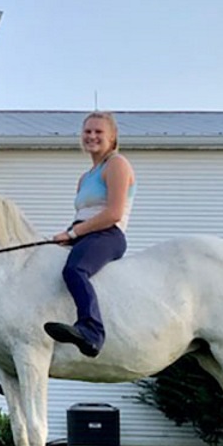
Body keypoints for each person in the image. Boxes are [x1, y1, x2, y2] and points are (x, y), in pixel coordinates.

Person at [44, 111, 136, 357]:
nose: (92, 136)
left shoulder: (117, 164)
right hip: (85, 233)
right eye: (87, 132)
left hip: (108, 234)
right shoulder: (85, 178)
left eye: (98, 132)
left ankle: (92, 331)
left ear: (113, 137)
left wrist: (73, 233)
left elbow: (114, 213)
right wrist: (66, 237)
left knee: (75, 270)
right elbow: (83, 215)